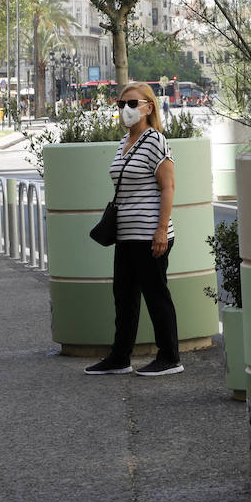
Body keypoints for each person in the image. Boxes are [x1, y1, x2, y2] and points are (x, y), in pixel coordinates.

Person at [85, 82, 183, 377]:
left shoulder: (156, 141)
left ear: (148, 107)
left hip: (150, 233)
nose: (125, 109)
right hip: (126, 234)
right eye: (121, 104)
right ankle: (120, 357)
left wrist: (161, 230)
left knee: (156, 295)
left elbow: (168, 188)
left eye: (131, 103)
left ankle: (170, 357)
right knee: (124, 297)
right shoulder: (123, 142)